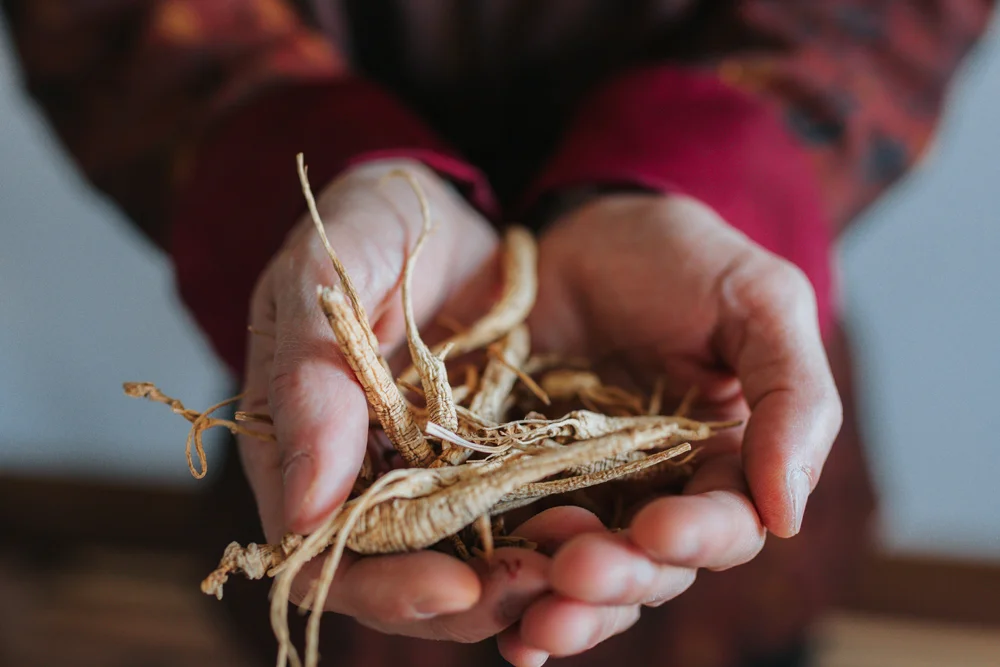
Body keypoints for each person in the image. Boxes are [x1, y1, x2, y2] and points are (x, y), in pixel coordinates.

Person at [3, 1, 994, 665]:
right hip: (346, 347)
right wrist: (321, 166)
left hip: (704, 355)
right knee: (332, 563)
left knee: (725, 576)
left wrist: (705, 168)